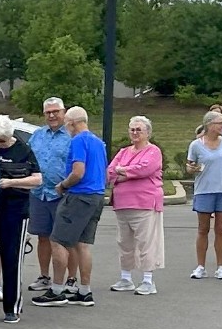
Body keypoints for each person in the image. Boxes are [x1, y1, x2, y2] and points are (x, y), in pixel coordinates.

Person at [47, 106, 108, 305]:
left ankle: (56, 290)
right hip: (96, 195)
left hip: (79, 195)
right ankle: (84, 290)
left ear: (72, 123)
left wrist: (63, 185)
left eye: (67, 123)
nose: (66, 127)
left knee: (59, 241)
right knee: (83, 244)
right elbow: (104, 172)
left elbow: (78, 171)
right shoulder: (99, 143)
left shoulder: (78, 140)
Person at [0, 116, 39, 321]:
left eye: (2, 141)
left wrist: (10, 182)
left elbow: (37, 179)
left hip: (16, 210)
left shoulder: (23, 150)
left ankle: (12, 307)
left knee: (12, 258)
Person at [107, 115, 167, 294]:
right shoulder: (124, 151)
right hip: (122, 204)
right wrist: (124, 172)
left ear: (148, 133)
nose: (134, 133)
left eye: (138, 129)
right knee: (124, 243)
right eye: (132, 129)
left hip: (145, 203)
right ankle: (126, 278)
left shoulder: (153, 151)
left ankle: (148, 281)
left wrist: (123, 171)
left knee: (146, 242)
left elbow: (145, 168)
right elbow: (110, 171)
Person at [25, 98, 72, 302]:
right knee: (42, 237)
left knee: (65, 239)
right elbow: (27, 159)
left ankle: (70, 280)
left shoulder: (71, 136)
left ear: (64, 112)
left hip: (62, 194)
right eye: (48, 112)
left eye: (56, 111)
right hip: (38, 193)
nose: (52, 116)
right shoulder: (36, 136)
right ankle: (44, 276)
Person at [186, 110, 222, 280]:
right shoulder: (196, 145)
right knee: (203, 229)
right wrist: (191, 169)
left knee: (220, 229)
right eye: (219, 123)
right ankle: (201, 266)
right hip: (204, 190)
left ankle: (220, 267)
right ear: (209, 125)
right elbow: (189, 166)